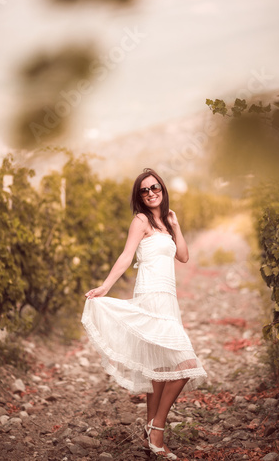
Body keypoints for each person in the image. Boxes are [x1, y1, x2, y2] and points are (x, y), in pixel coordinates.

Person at [81, 168, 207, 459]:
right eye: (144, 190)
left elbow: (184, 256)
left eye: (155, 188)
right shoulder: (140, 220)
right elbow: (126, 255)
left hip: (168, 299)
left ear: (162, 189)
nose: (151, 193)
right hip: (150, 296)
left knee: (160, 367)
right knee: (186, 363)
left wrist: (175, 224)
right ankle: (158, 428)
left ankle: (150, 429)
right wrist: (104, 286)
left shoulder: (165, 221)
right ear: (139, 196)